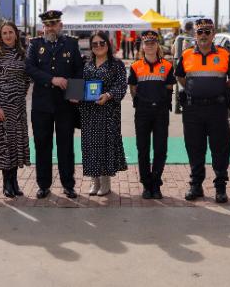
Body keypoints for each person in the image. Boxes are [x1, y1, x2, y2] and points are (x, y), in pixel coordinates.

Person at [175, 18, 230, 203]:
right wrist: (194, 90)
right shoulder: (186, 55)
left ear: (213, 34)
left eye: (207, 32)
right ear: (195, 34)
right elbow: (180, 76)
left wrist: (218, 89)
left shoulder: (224, 54)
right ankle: (196, 185)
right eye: (200, 32)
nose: (203, 35)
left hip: (217, 109)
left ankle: (220, 188)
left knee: (220, 149)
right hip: (193, 109)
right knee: (195, 148)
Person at [25, 10, 84, 199]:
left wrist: (75, 93)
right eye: (47, 24)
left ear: (61, 25)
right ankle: (43, 185)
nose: (51, 27)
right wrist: (52, 79)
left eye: (54, 23)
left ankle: (68, 185)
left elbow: (78, 70)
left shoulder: (71, 44)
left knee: (66, 146)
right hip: (42, 104)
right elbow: (30, 68)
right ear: (43, 27)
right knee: (42, 145)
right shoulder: (35, 45)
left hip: (65, 104)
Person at [128, 29, 176, 199]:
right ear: (142, 45)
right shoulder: (135, 66)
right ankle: (146, 184)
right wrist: (142, 101)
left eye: (153, 43)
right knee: (143, 149)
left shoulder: (167, 65)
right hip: (142, 112)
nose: (149, 46)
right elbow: (133, 88)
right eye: (146, 43)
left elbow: (170, 87)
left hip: (161, 112)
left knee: (160, 149)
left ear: (157, 45)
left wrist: (161, 100)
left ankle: (156, 183)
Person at [80, 31, 128, 196]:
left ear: (108, 44)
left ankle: (105, 181)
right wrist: (75, 95)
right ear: (91, 47)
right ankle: (95, 181)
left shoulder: (116, 64)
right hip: (89, 112)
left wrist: (108, 95)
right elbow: (81, 86)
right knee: (90, 146)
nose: (99, 46)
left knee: (106, 145)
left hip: (108, 112)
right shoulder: (87, 64)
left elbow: (122, 85)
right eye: (95, 44)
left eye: (102, 43)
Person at [0, 21, 31, 197]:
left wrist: (21, 93)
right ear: (1, 35)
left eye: (10, 32)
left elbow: (27, 78)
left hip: (18, 106)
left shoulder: (23, 54)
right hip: (3, 107)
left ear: (16, 34)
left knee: (16, 144)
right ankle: (6, 183)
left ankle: (15, 182)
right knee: (5, 144)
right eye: (4, 33)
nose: (7, 36)